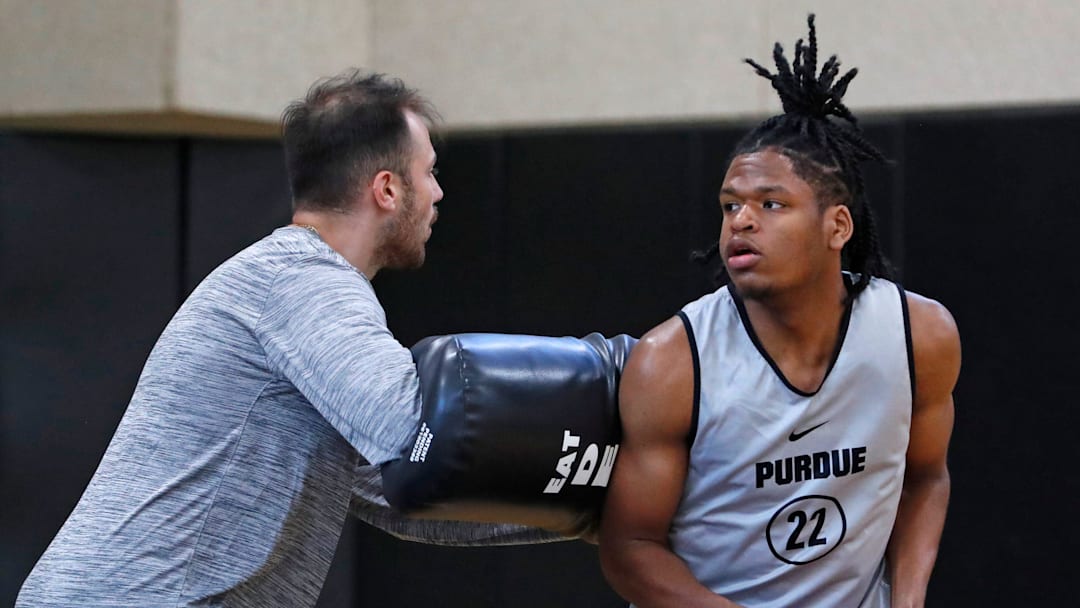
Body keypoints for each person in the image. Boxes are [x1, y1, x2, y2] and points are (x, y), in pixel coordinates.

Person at [17, 70, 563, 608]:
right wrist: (602, 443)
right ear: (388, 189)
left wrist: (592, 511)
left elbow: (406, 492)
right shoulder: (304, 281)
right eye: (430, 172)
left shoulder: (294, 287)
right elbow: (413, 431)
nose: (439, 192)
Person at [599, 15, 959, 608]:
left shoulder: (920, 335)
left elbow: (926, 477)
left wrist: (909, 598)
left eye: (771, 203)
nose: (741, 220)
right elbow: (631, 547)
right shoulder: (672, 361)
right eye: (730, 205)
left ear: (836, 226)